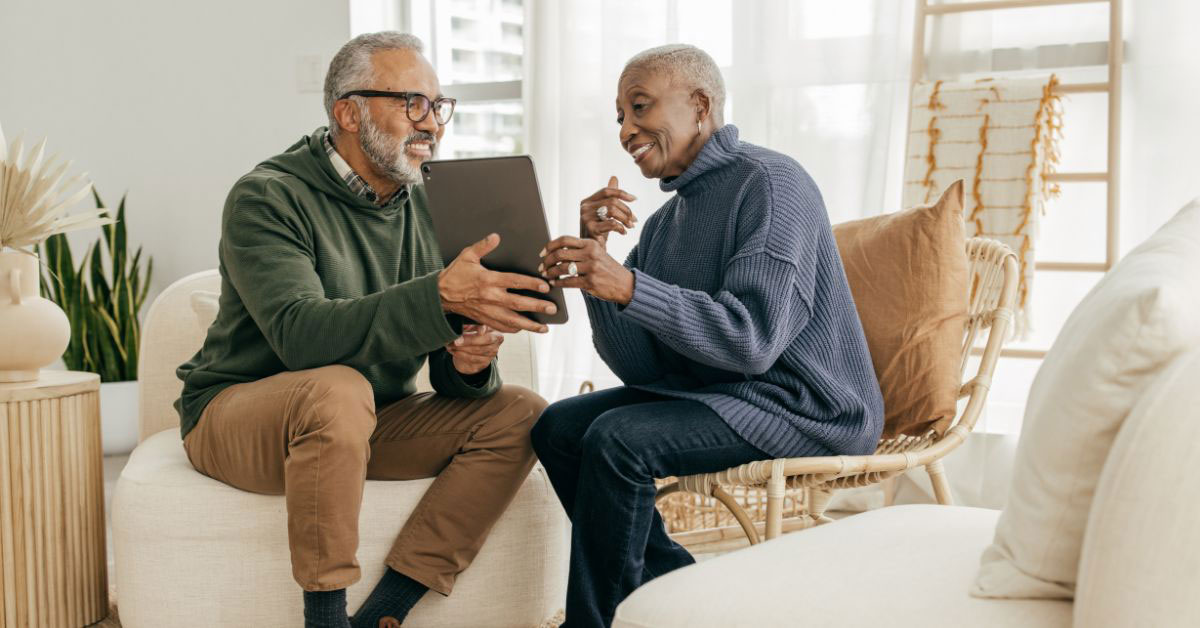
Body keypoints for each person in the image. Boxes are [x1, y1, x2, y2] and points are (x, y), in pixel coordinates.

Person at [175, 32, 558, 628]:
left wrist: (469, 362)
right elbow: (300, 337)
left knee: (522, 412)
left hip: (365, 420)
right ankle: (326, 619)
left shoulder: (431, 206)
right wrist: (437, 298)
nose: (431, 122)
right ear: (347, 113)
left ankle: (384, 613)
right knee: (337, 388)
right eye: (412, 102)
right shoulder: (267, 197)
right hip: (237, 416)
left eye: (438, 105)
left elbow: (445, 372)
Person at [530, 44, 885, 627]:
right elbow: (644, 370)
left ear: (700, 105)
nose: (626, 129)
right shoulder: (667, 221)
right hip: (721, 395)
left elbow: (752, 342)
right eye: (619, 115)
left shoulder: (771, 185)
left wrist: (628, 287)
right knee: (560, 426)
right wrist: (601, 271)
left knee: (619, 440)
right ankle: (683, 594)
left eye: (640, 107)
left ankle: (592, 622)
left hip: (805, 405)